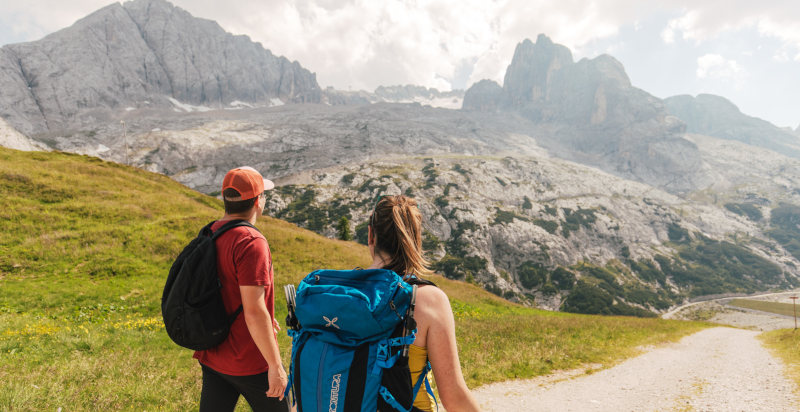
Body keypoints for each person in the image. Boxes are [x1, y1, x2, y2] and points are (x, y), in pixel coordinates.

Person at [368, 195, 480, 412]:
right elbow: (454, 398)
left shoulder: (344, 295)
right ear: (416, 239)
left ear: (371, 235)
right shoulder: (428, 299)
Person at [193, 166, 289, 412]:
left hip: (214, 352)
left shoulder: (210, 232)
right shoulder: (251, 241)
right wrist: (276, 367)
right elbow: (254, 312)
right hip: (249, 360)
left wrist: (267, 320)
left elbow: (225, 291)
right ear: (258, 201)